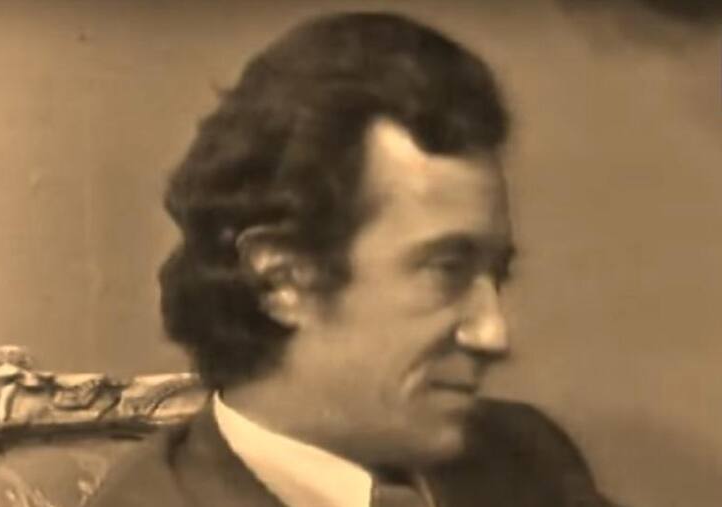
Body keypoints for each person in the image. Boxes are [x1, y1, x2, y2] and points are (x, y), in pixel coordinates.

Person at [89, 11, 622, 507]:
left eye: (496, 275)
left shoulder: (526, 456)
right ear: (281, 279)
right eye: (447, 271)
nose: (494, 333)